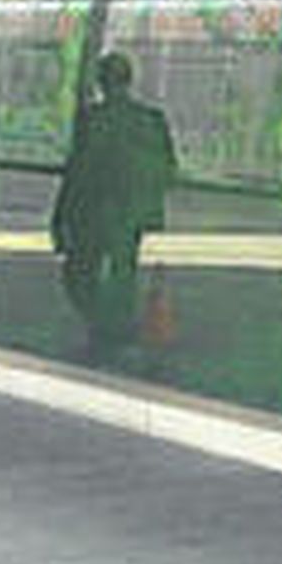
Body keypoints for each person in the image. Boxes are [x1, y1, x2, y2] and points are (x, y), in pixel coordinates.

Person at [51, 52, 176, 355]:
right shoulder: (152, 119)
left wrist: (60, 216)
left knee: (80, 272)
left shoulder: (93, 119)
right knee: (122, 273)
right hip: (133, 213)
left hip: (95, 211)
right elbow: (169, 168)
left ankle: (105, 329)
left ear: (101, 82)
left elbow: (78, 172)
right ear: (129, 80)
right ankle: (115, 329)